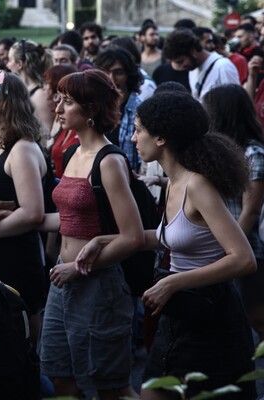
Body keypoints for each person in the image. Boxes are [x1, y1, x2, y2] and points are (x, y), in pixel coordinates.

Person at [83, 91, 256, 399]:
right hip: (179, 314)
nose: (133, 138)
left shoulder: (196, 184)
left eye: (138, 130)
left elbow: (243, 259)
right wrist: (102, 239)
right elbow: (169, 237)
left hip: (211, 316)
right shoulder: (173, 181)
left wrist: (174, 282)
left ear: (161, 137)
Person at [39, 69, 143, 399]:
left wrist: (79, 267)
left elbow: (133, 236)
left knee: (110, 386)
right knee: (60, 377)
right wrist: (19, 218)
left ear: (91, 109)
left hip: (98, 287)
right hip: (62, 282)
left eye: (67, 102)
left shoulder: (109, 160)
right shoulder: (71, 154)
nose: (58, 108)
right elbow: (71, 219)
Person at [0, 70, 47, 343]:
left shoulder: (22, 149)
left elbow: (33, 212)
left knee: (17, 346)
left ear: (2, 105)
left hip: (15, 262)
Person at [203, 84, 264, 342]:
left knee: (256, 315)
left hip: (247, 246)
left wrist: (229, 245)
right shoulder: (223, 151)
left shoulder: (253, 153)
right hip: (227, 245)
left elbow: (251, 211)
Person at [95, 47, 143, 172]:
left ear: (129, 75)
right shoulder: (95, 106)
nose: (111, 78)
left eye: (118, 73)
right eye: (106, 72)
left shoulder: (139, 109)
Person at [163, 29, 239, 101]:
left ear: (192, 51)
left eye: (181, 61)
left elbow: (235, 103)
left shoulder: (223, 67)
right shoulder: (192, 70)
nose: (181, 67)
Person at [6, 40, 54, 143]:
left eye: (10, 60)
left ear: (19, 64)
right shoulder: (24, 91)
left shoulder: (39, 95)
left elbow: (47, 135)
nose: (7, 65)